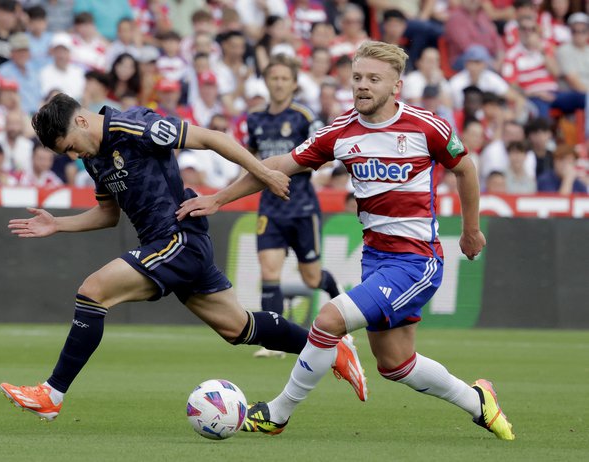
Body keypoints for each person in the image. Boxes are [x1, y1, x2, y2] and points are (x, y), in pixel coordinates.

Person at [177, 40, 515, 441]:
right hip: (376, 258)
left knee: (328, 320)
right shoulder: (340, 132)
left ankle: (277, 413)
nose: (363, 86)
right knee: (395, 363)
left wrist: (472, 229)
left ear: (396, 86)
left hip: (416, 261)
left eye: (374, 78)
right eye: (357, 78)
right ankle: (479, 402)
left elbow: (466, 169)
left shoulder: (428, 126)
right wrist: (217, 198)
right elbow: (274, 167)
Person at [0, 93, 366, 421]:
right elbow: (108, 216)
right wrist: (57, 225)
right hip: (170, 246)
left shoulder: (135, 126)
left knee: (93, 291)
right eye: (67, 154)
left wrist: (265, 173)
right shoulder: (95, 158)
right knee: (238, 328)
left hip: (178, 239)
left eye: (71, 147)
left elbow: (212, 138)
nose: (75, 156)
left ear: (80, 121)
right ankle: (333, 351)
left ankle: (52, 393)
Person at [246, 53, 342, 359]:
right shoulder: (255, 119)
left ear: (294, 83)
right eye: (273, 78)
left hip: (301, 207)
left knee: (311, 278)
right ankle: (273, 341)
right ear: (266, 82)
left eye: (284, 78)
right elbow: (249, 158)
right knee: (268, 269)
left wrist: (285, 168)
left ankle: (339, 300)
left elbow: (326, 157)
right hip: (270, 209)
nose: (278, 83)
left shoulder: (303, 116)